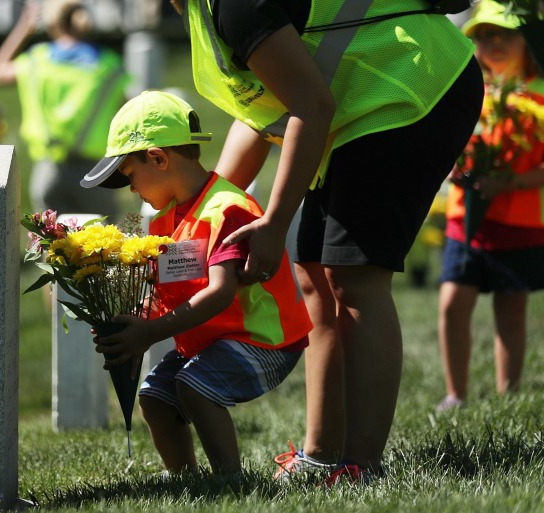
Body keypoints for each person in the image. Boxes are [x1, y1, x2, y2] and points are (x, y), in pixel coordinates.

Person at [170, 0, 485, 484]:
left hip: (411, 88)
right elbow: (261, 112)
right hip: (363, 103)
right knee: (315, 275)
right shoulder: (204, 8)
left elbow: (310, 105)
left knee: (354, 278)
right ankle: (321, 455)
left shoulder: (234, 5)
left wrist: (274, 224)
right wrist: (196, 223)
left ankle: (362, 466)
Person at [81, 91, 313, 476]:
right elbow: (171, 289)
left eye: (130, 177)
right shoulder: (164, 223)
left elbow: (221, 293)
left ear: (158, 158)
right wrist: (133, 322)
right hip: (215, 342)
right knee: (154, 397)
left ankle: (228, 483)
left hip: (264, 340)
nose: (133, 190)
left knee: (194, 387)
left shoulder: (227, 209)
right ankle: (184, 480)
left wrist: (150, 334)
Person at [436, 0, 544, 413]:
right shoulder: (467, 91)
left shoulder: (538, 93)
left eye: (505, 34)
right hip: (467, 218)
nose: (494, 43)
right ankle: (455, 395)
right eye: (483, 36)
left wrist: (509, 182)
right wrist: (451, 167)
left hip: (518, 221)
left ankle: (508, 395)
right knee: (451, 303)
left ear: (527, 40)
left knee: (511, 308)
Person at [0, 0, 130, 219]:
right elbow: (128, 113)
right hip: (97, 171)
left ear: (54, 24)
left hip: (49, 169)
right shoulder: (109, 66)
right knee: (103, 246)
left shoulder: (37, 61)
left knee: (51, 245)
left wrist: (23, 29)